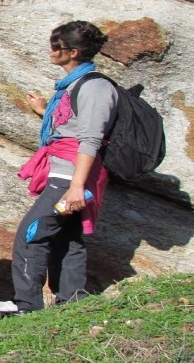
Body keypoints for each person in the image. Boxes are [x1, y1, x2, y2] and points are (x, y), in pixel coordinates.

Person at [12, 21, 117, 312]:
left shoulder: (95, 87)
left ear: (71, 52)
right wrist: (45, 111)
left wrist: (75, 187)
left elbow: (90, 138)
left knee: (30, 235)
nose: (50, 50)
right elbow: (73, 126)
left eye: (55, 45)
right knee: (67, 238)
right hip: (66, 175)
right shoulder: (72, 85)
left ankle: (27, 309)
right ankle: (72, 303)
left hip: (70, 178)